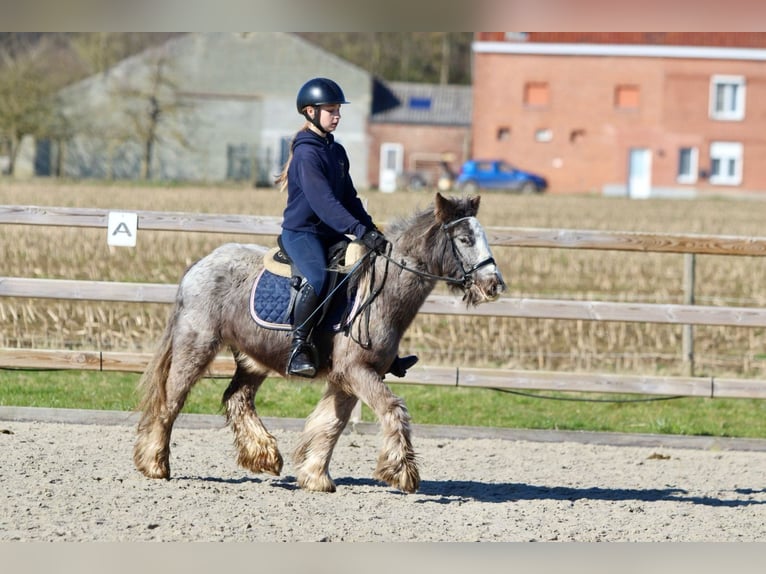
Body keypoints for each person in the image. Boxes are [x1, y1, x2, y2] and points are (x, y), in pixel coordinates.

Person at [276, 77, 417, 379]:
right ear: (310, 112)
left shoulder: (336, 152)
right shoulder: (307, 153)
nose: (337, 116)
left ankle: (379, 351)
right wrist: (357, 230)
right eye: (331, 111)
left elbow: (349, 198)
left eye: (338, 110)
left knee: (369, 270)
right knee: (316, 278)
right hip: (303, 233)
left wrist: (371, 229)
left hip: (330, 233)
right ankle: (299, 347)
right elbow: (323, 203)